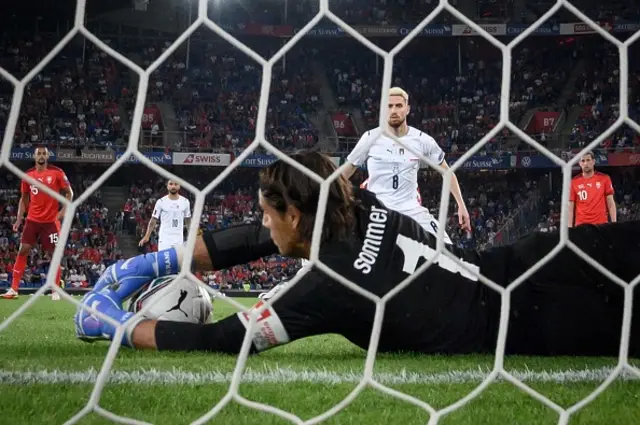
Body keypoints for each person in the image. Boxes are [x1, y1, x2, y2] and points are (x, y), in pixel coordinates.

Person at [75, 151, 640, 358]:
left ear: (294, 217)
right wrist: (154, 263)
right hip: (518, 261)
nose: (261, 224)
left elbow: (221, 339)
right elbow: (256, 235)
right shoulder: (355, 199)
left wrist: (120, 326)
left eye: (268, 213)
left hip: (524, 326)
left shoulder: (322, 289)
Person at [341, 87, 471, 244]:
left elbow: (447, 172)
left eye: (398, 106)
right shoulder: (370, 138)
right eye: (389, 106)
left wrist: (461, 205)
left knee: (449, 251)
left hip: (411, 210)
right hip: (377, 210)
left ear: (407, 109)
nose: (394, 110)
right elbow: (347, 170)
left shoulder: (423, 140)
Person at [2, 146, 73, 300]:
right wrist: (19, 219)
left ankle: (55, 290)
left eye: (44, 154)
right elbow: (24, 198)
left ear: (47, 157)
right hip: (32, 220)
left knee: (53, 254)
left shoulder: (57, 173)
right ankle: (14, 289)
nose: (41, 156)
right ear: (34, 157)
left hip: (50, 222)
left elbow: (69, 193)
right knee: (23, 250)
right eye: (38, 153)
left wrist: (62, 213)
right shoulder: (28, 175)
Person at [139, 180, 191, 251]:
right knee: (164, 261)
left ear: (179, 186)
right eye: (171, 184)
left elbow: (188, 220)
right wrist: (147, 236)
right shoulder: (161, 202)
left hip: (179, 240)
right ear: (167, 186)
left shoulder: (185, 202)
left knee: (178, 262)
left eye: (176, 184)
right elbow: (153, 220)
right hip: (165, 240)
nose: (173, 186)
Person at [568, 152, 616, 227]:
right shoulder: (573, 182)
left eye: (588, 160)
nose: (585, 163)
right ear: (579, 163)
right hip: (581, 226)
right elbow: (570, 208)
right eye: (583, 161)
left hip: (601, 225)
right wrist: (569, 228)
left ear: (593, 161)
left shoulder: (605, 178)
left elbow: (611, 203)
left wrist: (614, 224)